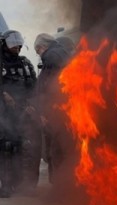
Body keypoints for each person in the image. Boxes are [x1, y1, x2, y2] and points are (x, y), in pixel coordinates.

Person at [0, 30, 40, 197]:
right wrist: (3, 93)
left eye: (19, 44)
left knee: (22, 148)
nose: (17, 47)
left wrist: (32, 105)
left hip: (21, 112)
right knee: (5, 148)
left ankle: (21, 184)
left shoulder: (25, 63)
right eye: (13, 44)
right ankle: (6, 185)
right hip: (3, 115)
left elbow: (34, 87)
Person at [34, 33, 74, 186]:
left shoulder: (51, 56)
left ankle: (59, 187)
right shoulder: (63, 53)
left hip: (56, 112)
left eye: (38, 51)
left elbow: (48, 87)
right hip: (66, 110)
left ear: (42, 47)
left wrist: (43, 111)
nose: (39, 55)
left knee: (56, 151)